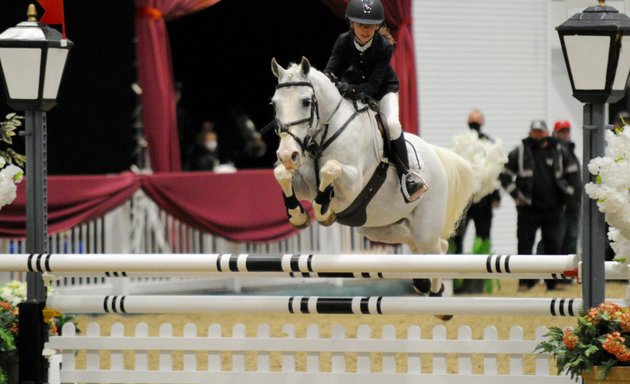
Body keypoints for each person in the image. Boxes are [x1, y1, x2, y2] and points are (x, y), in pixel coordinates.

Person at [323, 0, 427, 203]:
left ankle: (407, 177)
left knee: (392, 124)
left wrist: (348, 88)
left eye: (370, 25)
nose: (365, 30)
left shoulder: (384, 46)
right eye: (361, 24)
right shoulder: (343, 41)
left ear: (377, 26)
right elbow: (331, 69)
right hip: (354, 89)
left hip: (383, 91)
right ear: (351, 23)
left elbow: (372, 86)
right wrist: (326, 82)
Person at [499, 120, 580, 291]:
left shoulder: (559, 150)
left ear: (546, 133)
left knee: (553, 247)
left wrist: (569, 195)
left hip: (554, 209)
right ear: (530, 133)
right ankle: (525, 282)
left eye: (540, 132)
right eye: (534, 132)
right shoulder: (520, 151)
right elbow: (504, 175)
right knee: (524, 246)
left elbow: (573, 174)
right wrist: (516, 196)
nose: (537, 135)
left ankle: (552, 283)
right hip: (527, 210)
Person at [450, 110, 501, 293]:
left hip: (484, 199)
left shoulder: (489, 143)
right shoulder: (460, 143)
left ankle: (481, 279)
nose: (475, 124)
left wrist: (496, 196)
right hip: (464, 199)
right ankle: (456, 280)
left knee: (483, 237)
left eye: (477, 121)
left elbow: (495, 172)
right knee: (456, 236)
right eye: (472, 121)